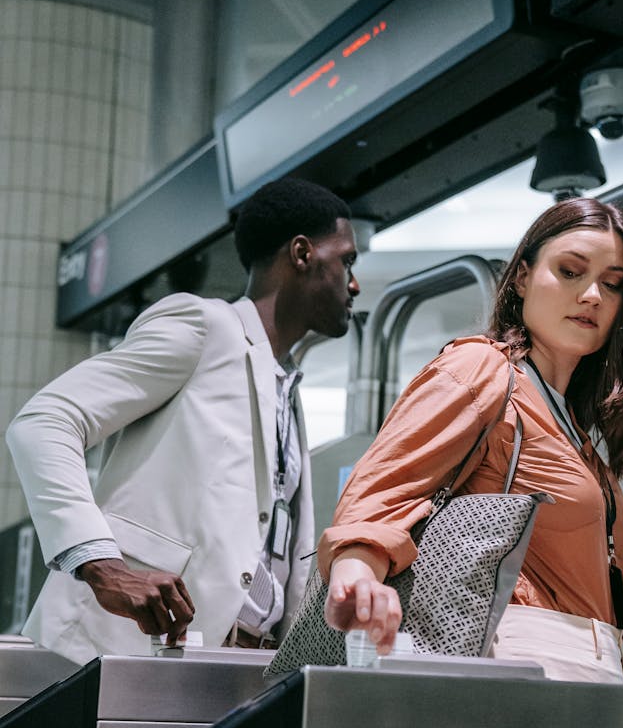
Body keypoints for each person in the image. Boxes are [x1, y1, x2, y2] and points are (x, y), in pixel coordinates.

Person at [317, 197, 623, 684]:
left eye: (612, 284)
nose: (592, 295)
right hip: (515, 666)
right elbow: (380, 493)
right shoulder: (481, 369)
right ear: (522, 277)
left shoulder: (571, 428)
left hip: (584, 673)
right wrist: (355, 577)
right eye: (570, 271)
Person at [7, 177, 359, 664]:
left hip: (234, 667)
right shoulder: (204, 327)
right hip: (117, 653)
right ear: (302, 254)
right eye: (347, 261)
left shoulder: (287, 388)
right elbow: (45, 421)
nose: (354, 283)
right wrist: (100, 564)